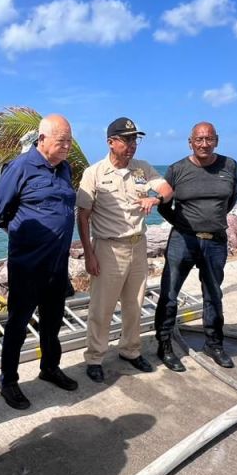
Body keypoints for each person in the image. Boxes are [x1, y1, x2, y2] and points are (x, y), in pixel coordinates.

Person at [0, 114, 79, 410]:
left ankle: (49, 368)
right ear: (42, 140)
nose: (67, 146)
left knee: (53, 321)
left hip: (57, 264)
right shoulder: (21, 167)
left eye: (69, 140)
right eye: (61, 141)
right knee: (18, 324)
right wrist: (26, 237)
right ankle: (8, 380)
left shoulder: (64, 168)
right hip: (28, 265)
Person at [76, 117, 173, 383]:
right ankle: (95, 356)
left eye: (135, 140)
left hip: (137, 246)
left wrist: (156, 198)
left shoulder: (142, 169)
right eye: (126, 139)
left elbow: (166, 189)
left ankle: (130, 350)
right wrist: (89, 253)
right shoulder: (94, 173)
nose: (132, 145)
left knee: (135, 304)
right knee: (102, 308)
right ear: (111, 142)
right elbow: (83, 216)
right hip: (108, 248)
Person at [154, 122, 237, 372]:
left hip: (215, 241)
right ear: (190, 142)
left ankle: (214, 343)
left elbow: (231, 200)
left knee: (213, 294)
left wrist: (211, 221)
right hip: (183, 240)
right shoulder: (177, 169)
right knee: (169, 294)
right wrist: (182, 224)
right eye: (199, 140)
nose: (204, 144)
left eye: (209, 139)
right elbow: (163, 203)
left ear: (217, 140)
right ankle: (165, 344)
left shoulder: (230, 166)